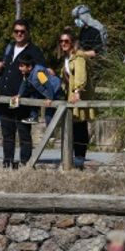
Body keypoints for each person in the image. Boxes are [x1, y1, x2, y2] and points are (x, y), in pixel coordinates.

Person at [0, 19, 46, 169]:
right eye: (16, 31)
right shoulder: (9, 48)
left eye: (22, 31)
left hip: (22, 98)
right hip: (5, 96)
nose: (19, 34)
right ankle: (8, 161)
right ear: (13, 33)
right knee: (7, 133)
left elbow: (41, 74)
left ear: (28, 33)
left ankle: (25, 162)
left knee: (24, 132)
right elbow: (5, 68)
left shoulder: (34, 51)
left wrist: (35, 92)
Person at [58, 28, 94, 169]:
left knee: (79, 126)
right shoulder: (66, 58)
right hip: (69, 96)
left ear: (72, 42)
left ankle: (80, 157)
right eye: (61, 41)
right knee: (73, 126)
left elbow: (80, 75)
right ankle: (73, 156)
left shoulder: (78, 57)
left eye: (66, 41)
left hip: (78, 95)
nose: (63, 43)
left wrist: (77, 91)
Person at [13, 55, 61, 125]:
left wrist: (50, 98)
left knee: (48, 114)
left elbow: (48, 85)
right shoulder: (26, 74)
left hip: (55, 90)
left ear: (29, 67)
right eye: (19, 66)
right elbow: (23, 85)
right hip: (46, 91)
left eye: (22, 66)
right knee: (33, 97)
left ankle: (51, 132)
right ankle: (34, 117)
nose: (19, 68)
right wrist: (19, 95)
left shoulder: (39, 73)